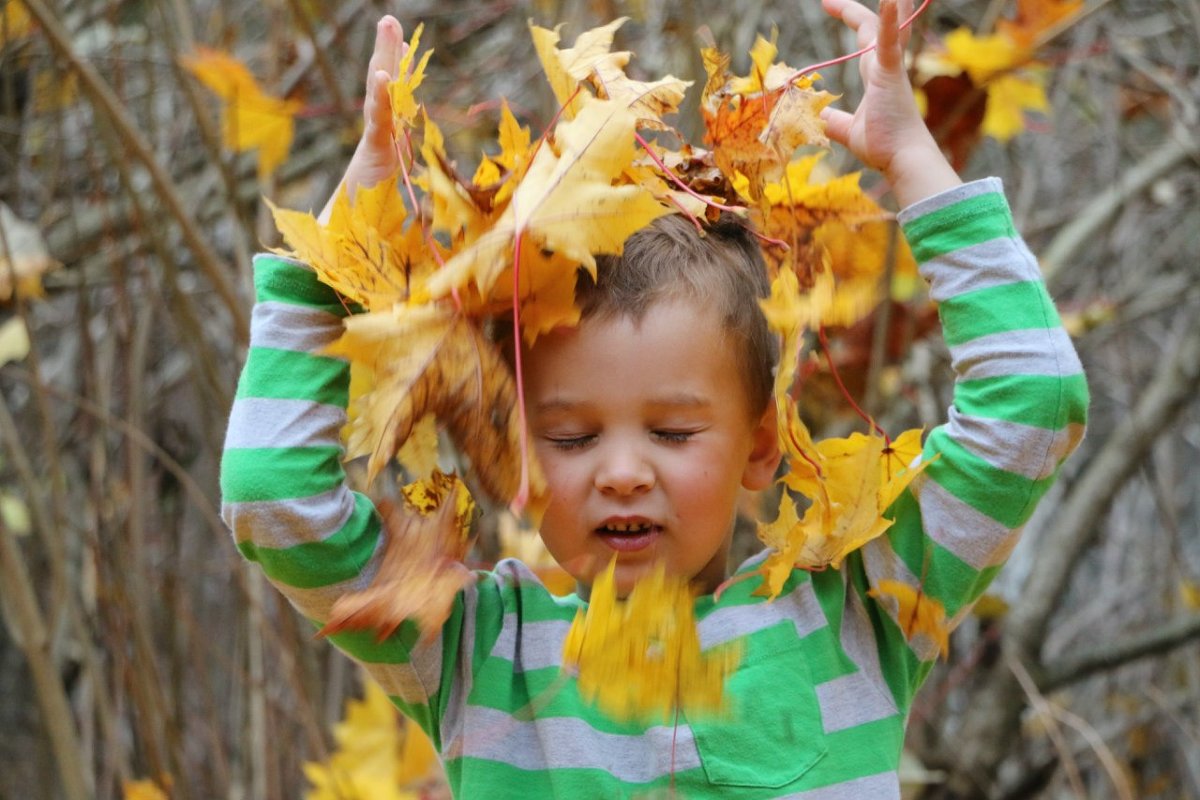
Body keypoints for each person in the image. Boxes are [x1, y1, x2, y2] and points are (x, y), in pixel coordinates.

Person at [220, 0, 1088, 796]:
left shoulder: (861, 613)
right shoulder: (475, 654)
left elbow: (1033, 407)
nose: (623, 472)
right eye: (569, 438)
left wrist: (913, 160)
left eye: (673, 432)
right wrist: (343, 244)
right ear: (515, 451)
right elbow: (272, 498)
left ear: (758, 443)